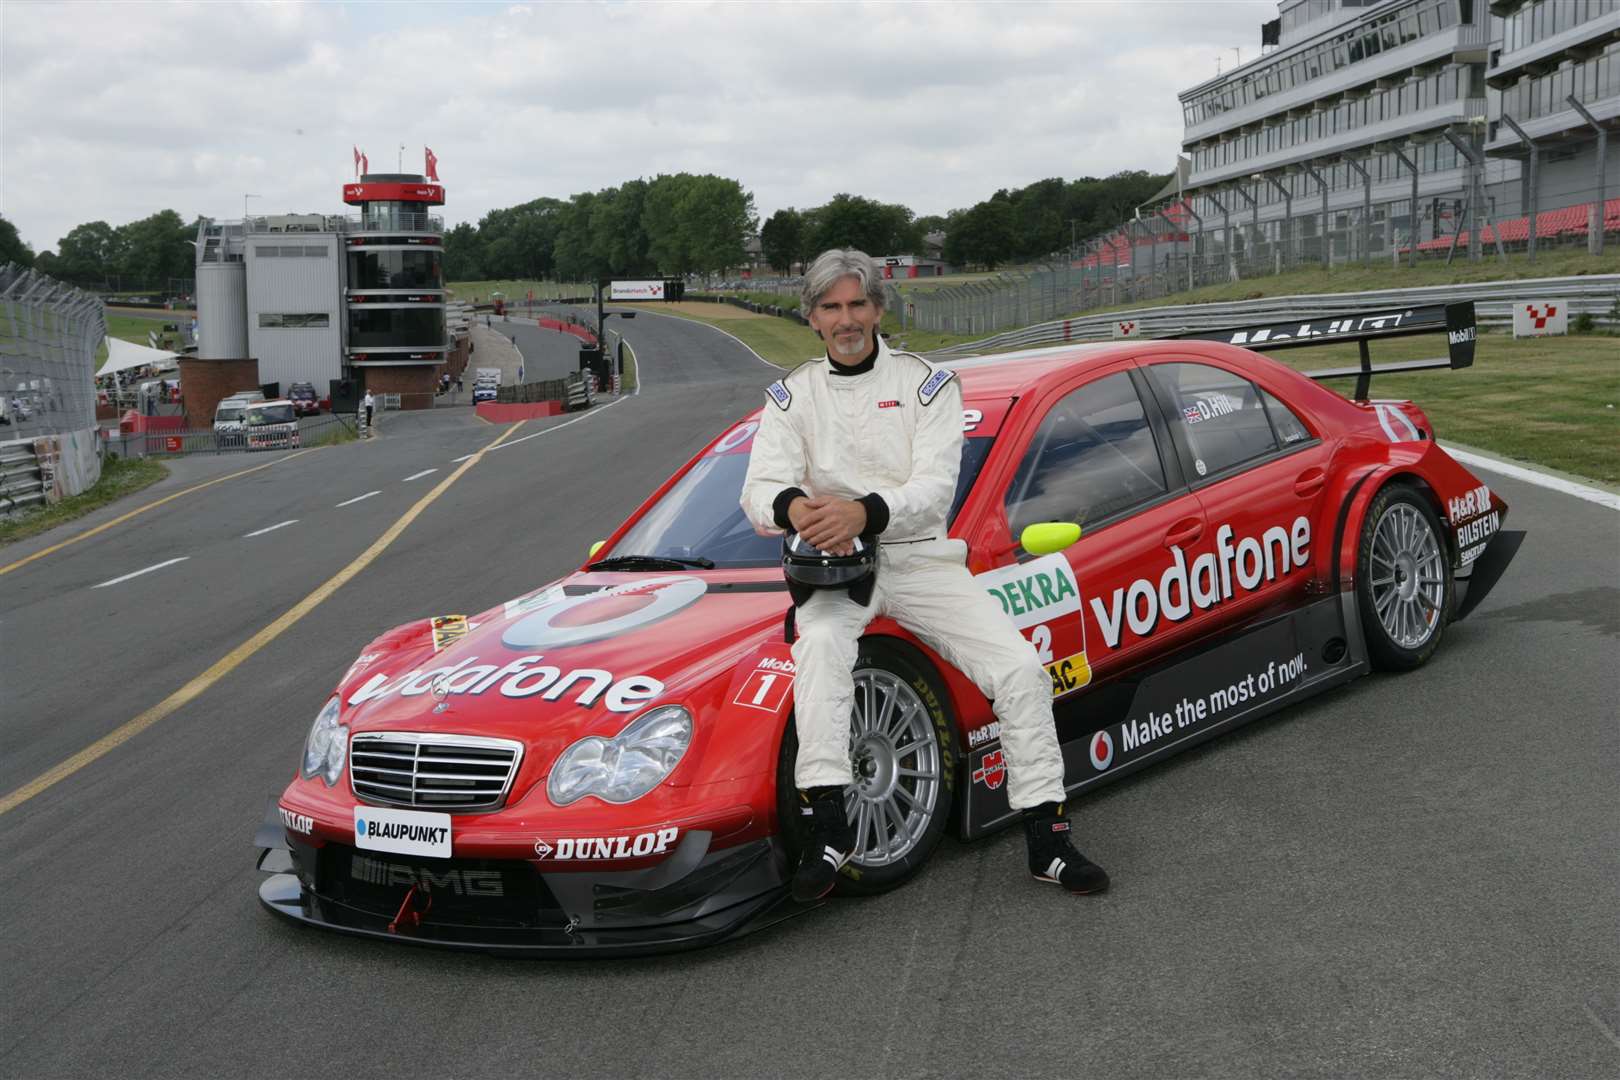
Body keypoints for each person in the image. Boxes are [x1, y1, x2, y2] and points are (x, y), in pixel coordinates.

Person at [741, 248, 1108, 903]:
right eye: (832, 307)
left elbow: (936, 489)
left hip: (919, 559)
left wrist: (864, 511)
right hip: (836, 568)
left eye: (858, 304)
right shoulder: (792, 395)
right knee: (820, 648)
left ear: (879, 309)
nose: (847, 318)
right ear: (813, 318)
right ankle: (831, 828)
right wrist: (798, 507)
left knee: (1020, 668)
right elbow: (758, 489)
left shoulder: (927, 384)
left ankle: (1048, 841)